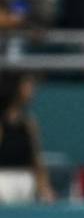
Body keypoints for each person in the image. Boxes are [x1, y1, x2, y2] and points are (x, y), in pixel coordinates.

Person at [0, 72, 53, 205]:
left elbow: (36, 158)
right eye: (28, 84)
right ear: (16, 87)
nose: (32, 89)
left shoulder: (29, 123)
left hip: (26, 183)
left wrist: (45, 187)